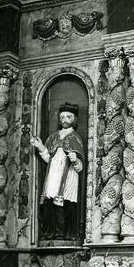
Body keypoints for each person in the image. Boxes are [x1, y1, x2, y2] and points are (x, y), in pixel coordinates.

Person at [31, 103, 84, 241]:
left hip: (69, 176)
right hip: (53, 174)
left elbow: (80, 167)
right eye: (62, 117)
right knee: (50, 201)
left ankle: (66, 233)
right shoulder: (53, 137)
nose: (64, 120)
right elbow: (48, 158)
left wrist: (76, 160)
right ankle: (50, 232)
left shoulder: (76, 138)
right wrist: (41, 147)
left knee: (67, 204)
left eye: (68, 117)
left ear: (74, 119)